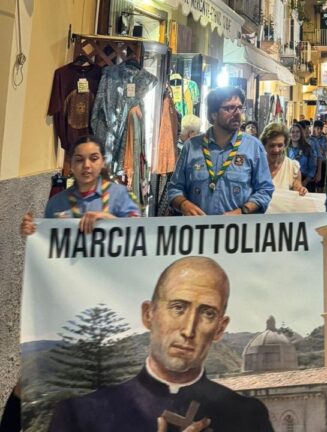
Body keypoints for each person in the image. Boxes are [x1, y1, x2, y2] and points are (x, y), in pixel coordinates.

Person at [48, 257, 274, 432]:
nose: (188, 330)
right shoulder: (80, 415)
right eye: (178, 307)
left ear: (220, 328)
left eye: (207, 313)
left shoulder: (248, 416)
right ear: (149, 314)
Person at [167, 86, 274, 216]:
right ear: (213, 113)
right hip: (198, 231)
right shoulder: (191, 147)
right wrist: (184, 204)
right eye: (230, 108)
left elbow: (265, 190)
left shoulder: (254, 147)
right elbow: (174, 189)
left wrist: (243, 211)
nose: (237, 113)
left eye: (240, 107)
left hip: (237, 231)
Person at [20, 135, 140, 236]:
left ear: (103, 162)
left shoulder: (122, 195)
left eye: (94, 159)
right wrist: (33, 232)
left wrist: (108, 219)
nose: (86, 165)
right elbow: (47, 242)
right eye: (79, 160)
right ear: (71, 164)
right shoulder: (56, 203)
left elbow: (139, 231)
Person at [261, 123, 307, 195]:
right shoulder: (256, 164)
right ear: (264, 145)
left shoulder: (292, 166)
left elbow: (298, 188)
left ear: (285, 145)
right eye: (272, 145)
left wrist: (301, 190)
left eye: (280, 145)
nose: (276, 150)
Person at [287, 123, 317, 191]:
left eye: (297, 132)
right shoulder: (286, 149)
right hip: (289, 180)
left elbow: (313, 167)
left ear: (301, 133)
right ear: (289, 134)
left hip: (306, 181)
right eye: (292, 132)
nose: (295, 134)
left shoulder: (308, 148)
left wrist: (305, 182)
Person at [307, 120, 327, 192]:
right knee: (311, 185)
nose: (319, 131)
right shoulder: (310, 138)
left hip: (322, 164)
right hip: (312, 164)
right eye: (317, 128)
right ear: (314, 128)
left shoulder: (324, 138)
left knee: (320, 185)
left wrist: (316, 148)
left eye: (321, 129)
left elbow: (323, 151)